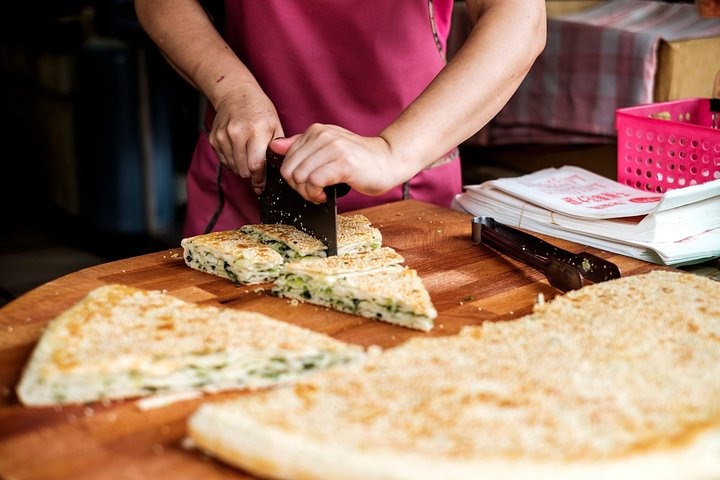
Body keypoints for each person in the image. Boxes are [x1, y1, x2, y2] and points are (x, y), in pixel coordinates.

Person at [134, 0, 546, 236]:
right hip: (247, 175)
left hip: (407, 186)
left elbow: (518, 19)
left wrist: (391, 153)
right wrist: (232, 90)